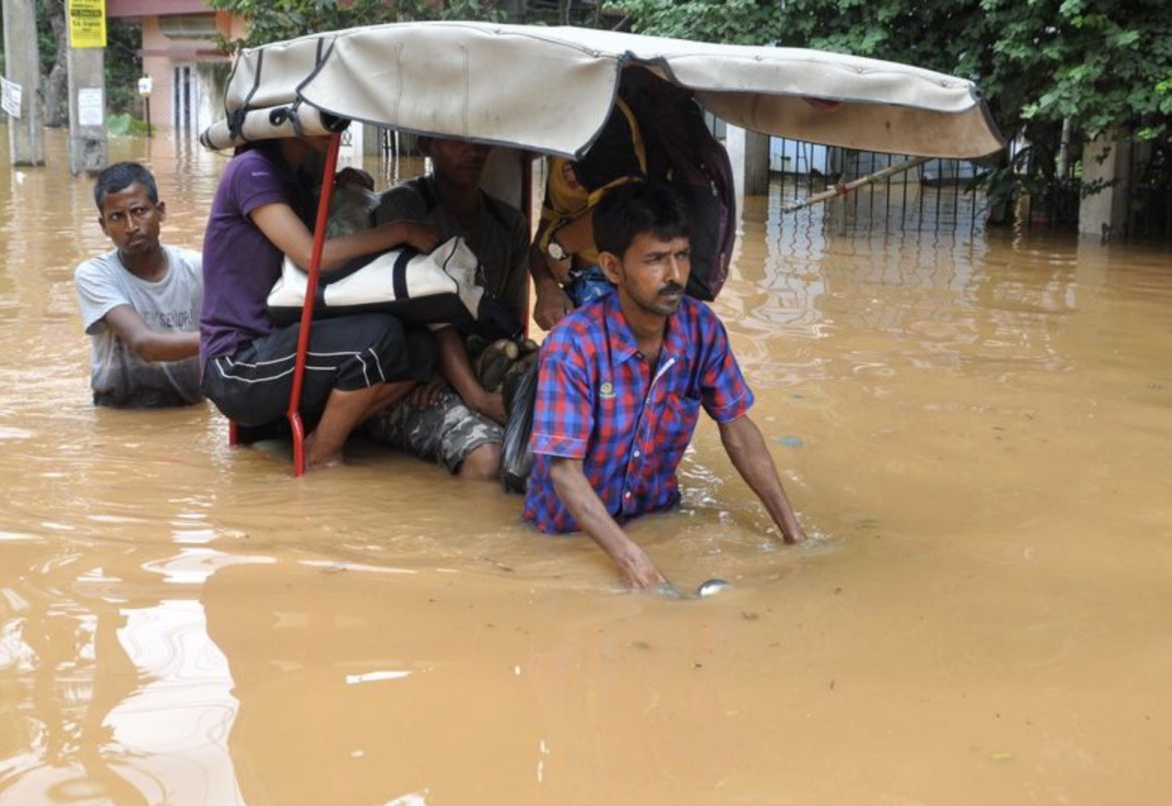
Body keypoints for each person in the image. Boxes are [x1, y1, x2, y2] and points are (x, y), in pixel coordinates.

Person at [524, 183, 806, 591]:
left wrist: (793, 534)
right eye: (655, 260)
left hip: (656, 518)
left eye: (682, 256)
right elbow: (565, 472)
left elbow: (739, 429)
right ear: (613, 268)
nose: (675, 275)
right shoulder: (571, 347)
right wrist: (632, 560)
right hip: (568, 538)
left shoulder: (701, 329)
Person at [199, 134, 443, 469]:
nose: (335, 127)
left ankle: (323, 437)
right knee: (379, 336)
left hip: (279, 341)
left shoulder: (295, 177)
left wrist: (345, 189)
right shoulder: (252, 170)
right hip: (238, 364)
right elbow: (314, 256)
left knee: (421, 347)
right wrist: (401, 231)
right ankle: (323, 456)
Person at [363, 136, 558, 480]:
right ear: (426, 145)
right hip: (408, 374)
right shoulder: (401, 212)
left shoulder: (508, 223)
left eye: (482, 141)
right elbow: (422, 318)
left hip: (476, 364)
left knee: (556, 430)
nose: (474, 152)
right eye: (456, 141)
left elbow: (509, 323)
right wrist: (472, 394)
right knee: (487, 458)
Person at [73, 162, 205, 409]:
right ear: (103, 226)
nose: (131, 227)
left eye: (139, 211)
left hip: (187, 406)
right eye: (116, 217)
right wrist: (225, 338)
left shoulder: (198, 268)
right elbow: (144, 345)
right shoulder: (95, 275)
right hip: (119, 410)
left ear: (160, 211)